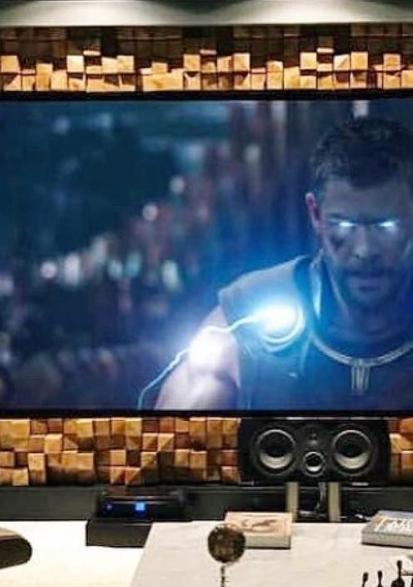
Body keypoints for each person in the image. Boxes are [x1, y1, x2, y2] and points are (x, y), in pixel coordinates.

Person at [153, 116, 413, 410]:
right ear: (315, 215)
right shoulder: (244, 326)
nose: (365, 250)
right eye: (344, 225)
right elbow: (168, 438)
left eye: (386, 226)